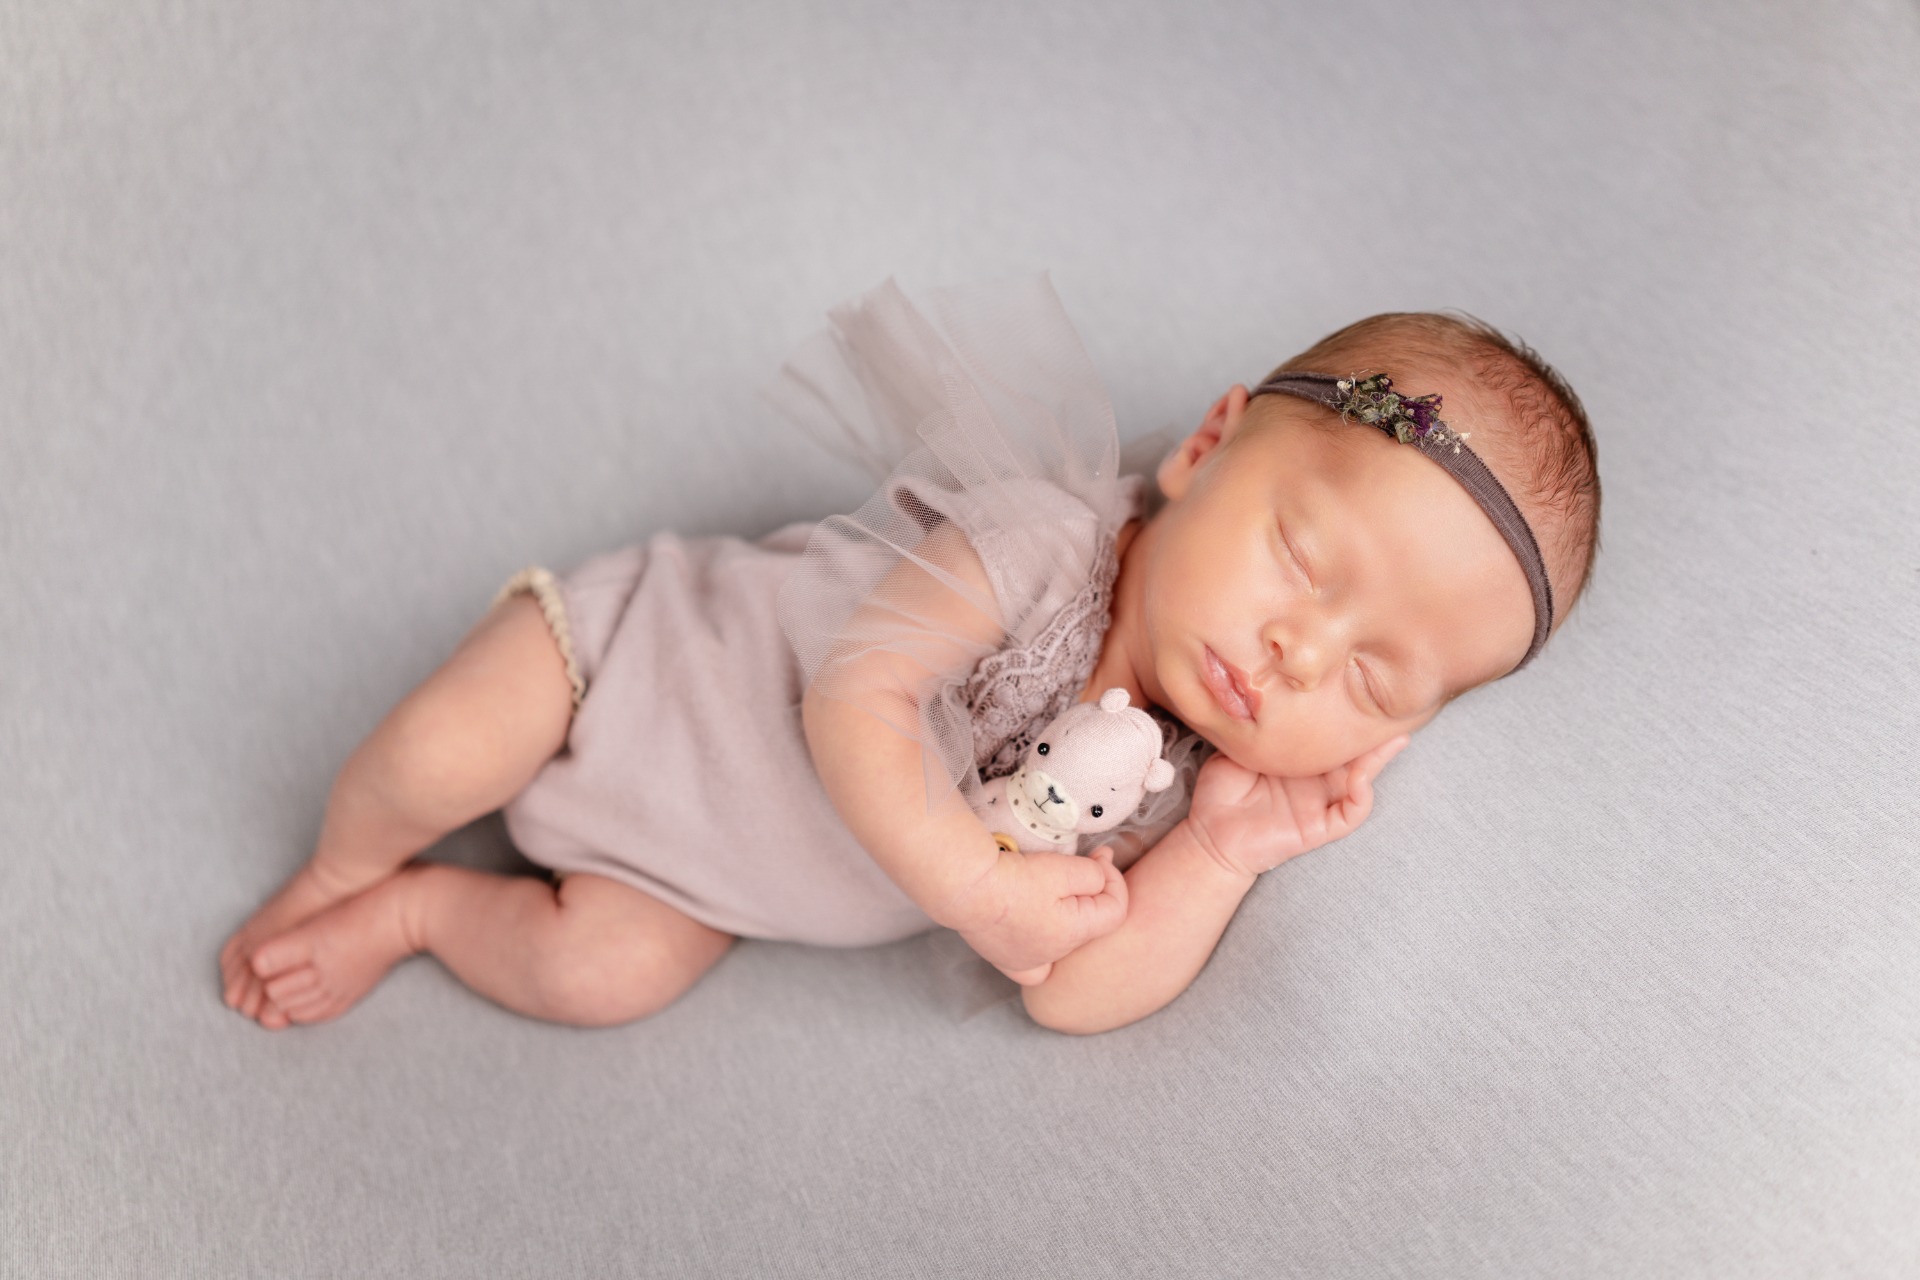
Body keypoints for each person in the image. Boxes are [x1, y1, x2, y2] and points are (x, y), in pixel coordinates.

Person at [217, 274, 1601, 1035]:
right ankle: (340, 871)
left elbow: (1078, 995)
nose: (1301, 651)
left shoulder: (1179, 787)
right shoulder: (1044, 543)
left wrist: (1224, 856)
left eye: (1370, 678)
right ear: (1206, 447)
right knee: (441, 752)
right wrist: (969, 884)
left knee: (600, 981)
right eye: (1303, 558)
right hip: (630, 665)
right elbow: (855, 695)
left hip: (686, 881)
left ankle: (416, 915)